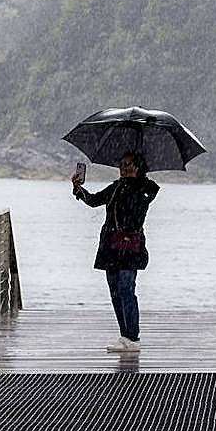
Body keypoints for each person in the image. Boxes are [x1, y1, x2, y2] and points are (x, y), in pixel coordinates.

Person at [70, 150, 160, 352]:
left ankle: (132, 337)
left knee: (127, 290)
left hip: (130, 247)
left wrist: (134, 182)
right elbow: (93, 201)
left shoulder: (147, 188)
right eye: (122, 164)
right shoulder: (115, 187)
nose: (124, 168)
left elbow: (145, 200)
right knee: (115, 292)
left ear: (138, 166)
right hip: (110, 246)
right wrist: (78, 188)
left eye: (129, 164)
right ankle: (124, 336)